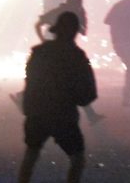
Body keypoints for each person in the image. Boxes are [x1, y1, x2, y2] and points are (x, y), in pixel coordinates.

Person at [15, 11, 97, 183]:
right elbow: (87, 93)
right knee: (77, 159)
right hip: (64, 114)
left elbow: (30, 82)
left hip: (38, 112)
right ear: (74, 31)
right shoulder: (77, 56)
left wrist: (29, 107)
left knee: (31, 154)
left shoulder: (39, 52)